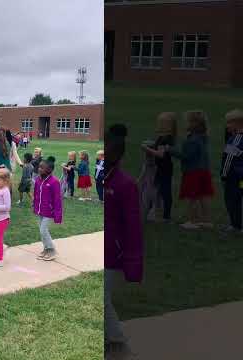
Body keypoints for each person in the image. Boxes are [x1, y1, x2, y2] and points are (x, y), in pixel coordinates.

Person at [104, 124, 143, 357]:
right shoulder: (103, 179)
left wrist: (132, 261)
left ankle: (117, 342)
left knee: (102, 299)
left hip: (112, 253)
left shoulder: (125, 185)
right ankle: (113, 339)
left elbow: (133, 226)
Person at [167, 111, 214, 229]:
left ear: (193, 124)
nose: (185, 124)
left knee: (192, 197)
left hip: (193, 172)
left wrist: (170, 150)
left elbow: (186, 156)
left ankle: (193, 221)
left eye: (187, 122)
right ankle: (207, 221)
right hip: (204, 171)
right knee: (204, 196)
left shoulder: (192, 140)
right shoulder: (203, 137)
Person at [141, 112, 177, 222]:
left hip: (164, 168)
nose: (159, 124)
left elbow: (160, 154)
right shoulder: (161, 137)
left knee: (165, 191)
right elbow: (158, 147)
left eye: (162, 123)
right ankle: (155, 212)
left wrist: (146, 149)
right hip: (160, 167)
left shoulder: (167, 138)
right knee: (156, 190)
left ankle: (166, 215)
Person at [33, 156, 63, 261]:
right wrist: (35, 207)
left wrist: (58, 215)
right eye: (39, 167)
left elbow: (57, 200)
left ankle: (52, 250)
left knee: (43, 230)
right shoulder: (38, 180)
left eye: (42, 168)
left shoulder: (55, 182)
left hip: (49, 212)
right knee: (41, 230)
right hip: (40, 210)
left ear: (49, 170)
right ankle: (46, 249)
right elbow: (36, 195)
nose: (39, 169)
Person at [220, 109, 243, 232]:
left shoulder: (236, 140)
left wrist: (224, 176)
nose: (227, 126)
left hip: (234, 178)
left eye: (228, 123)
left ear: (237, 124)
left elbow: (229, 159)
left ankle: (236, 225)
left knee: (232, 199)